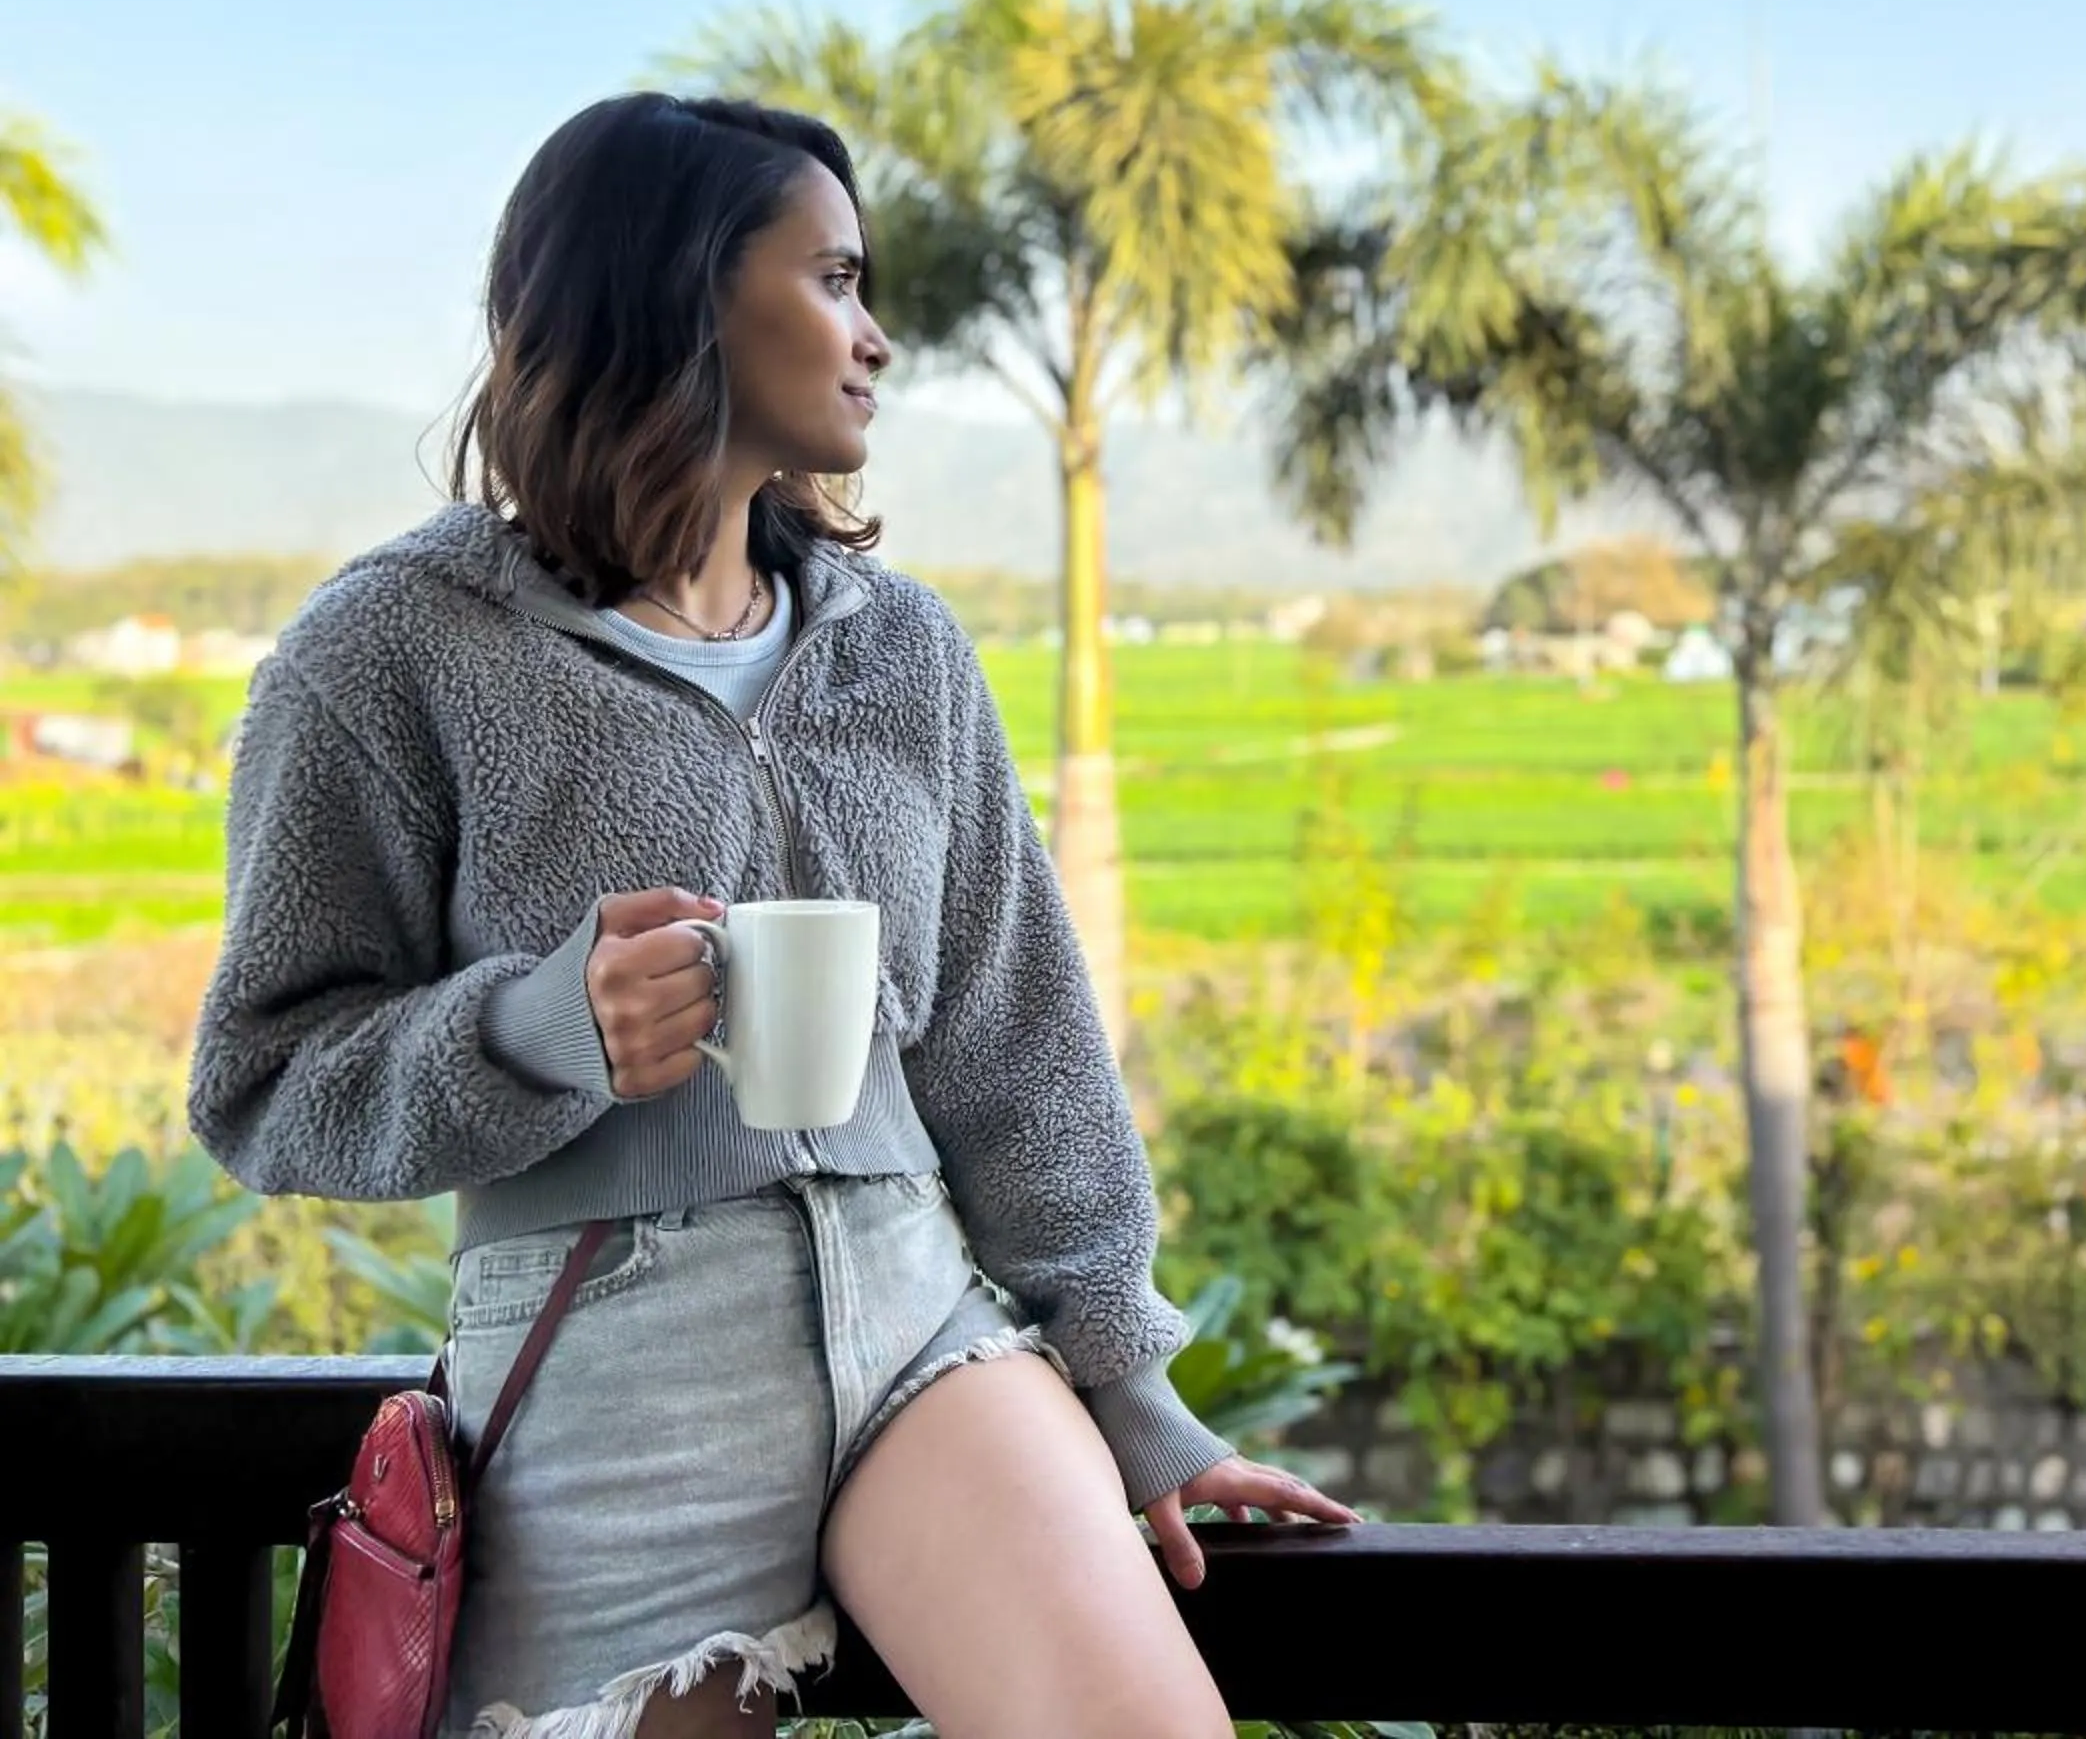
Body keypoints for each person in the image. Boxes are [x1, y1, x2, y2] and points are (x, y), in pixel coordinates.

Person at [185, 93, 1355, 1739]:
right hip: (611, 1352)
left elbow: (1018, 1042)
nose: (874, 336)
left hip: (921, 1321)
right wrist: (542, 1027)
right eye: (835, 279)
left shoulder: (903, 647)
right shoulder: (392, 650)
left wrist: (1133, 1396)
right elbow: (262, 1081)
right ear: (673, 297)